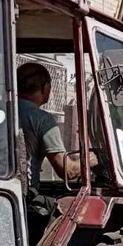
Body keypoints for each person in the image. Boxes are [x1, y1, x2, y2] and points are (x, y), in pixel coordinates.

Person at [16, 62, 80, 193]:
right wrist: (88, 161)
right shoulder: (42, 120)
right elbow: (68, 171)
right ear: (46, 88)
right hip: (25, 197)